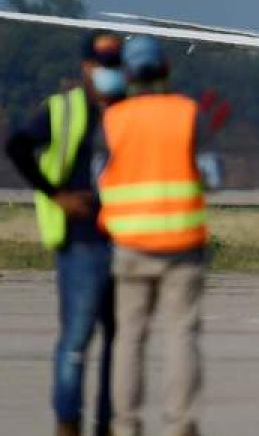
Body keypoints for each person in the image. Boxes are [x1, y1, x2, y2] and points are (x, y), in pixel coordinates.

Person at [5, 31, 127, 436]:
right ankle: (68, 422)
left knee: (118, 343)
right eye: (101, 64)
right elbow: (17, 146)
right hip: (81, 241)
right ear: (85, 67)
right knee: (76, 339)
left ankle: (108, 422)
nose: (108, 72)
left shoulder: (131, 110)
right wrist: (55, 195)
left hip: (126, 241)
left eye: (115, 64)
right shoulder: (64, 110)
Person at [99, 36, 208, 436]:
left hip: (129, 243)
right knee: (180, 336)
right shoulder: (186, 114)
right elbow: (211, 174)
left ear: (127, 73)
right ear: (165, 69)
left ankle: (125, 425)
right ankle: (180, 425)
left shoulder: (114, 118)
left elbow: (100, 177)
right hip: (181, 242)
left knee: (129, 337)